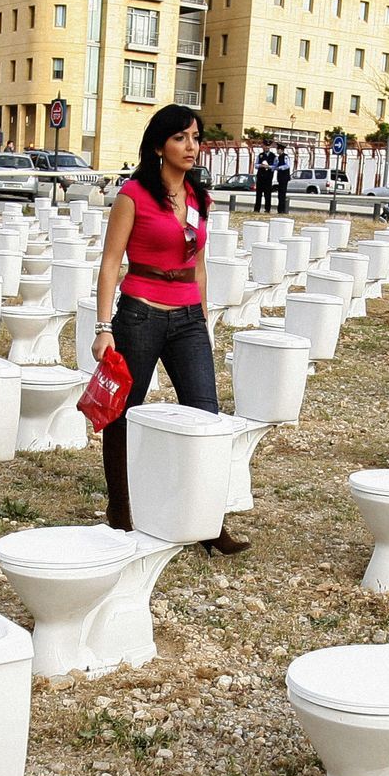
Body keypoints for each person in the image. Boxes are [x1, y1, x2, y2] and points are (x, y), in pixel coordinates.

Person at [92, 104, 248, 555]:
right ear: (159, 145)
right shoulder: (134, 195)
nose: (192, 147)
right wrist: (104, 328)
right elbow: (109, 264)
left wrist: (202, 317)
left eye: (196, 138)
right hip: (139, 314)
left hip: (187, 321)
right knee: (123, 413)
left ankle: (207, 522)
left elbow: (198, 264)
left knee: (205, 417)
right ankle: (120, 510)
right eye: (181, 138)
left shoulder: (200, 199)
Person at [252, 144, 275, 212]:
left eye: (268, 147)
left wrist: (268, 167)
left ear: (270, 147)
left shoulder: (273, 156)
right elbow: (256, 165)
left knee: (267, 194)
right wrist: (261, 165)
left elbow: (275, 166)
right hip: (260, 177)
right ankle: (257, 209)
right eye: (265, 146)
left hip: (268, 177)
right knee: (258, 194)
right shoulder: (260, 155)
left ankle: (267, 209)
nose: (266, 148)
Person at [274, 149, 292, 214]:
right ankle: (279, 209)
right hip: (280, 178)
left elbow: (287, 165)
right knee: (280, 194)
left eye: (278, 149)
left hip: (284, 177)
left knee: (282, 194)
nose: (277, 151)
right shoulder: (278, 157)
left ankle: (282, 209)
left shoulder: (285, 156)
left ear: (281, 150)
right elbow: (275, 165)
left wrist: (279, 168)